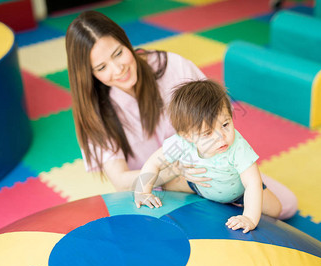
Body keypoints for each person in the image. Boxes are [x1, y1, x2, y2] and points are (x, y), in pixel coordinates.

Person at [66, 11, 297, 220]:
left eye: (118, 54)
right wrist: (174, 172)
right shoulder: (94, 111)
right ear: (89, 74)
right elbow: (120, 180)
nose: (118, 70)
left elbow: (219, 113)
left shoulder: (170, 66)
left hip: (215, 165)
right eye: (101, 67)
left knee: (285, 206)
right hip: (162, 186)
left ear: (126, 43)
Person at [134, 80, 285, 233]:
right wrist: (142, 192)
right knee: (169, 184)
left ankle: (245, 179)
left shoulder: (238, 147)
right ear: (188, 136)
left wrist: (249, 218)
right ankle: (177, 184)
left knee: (276, 210)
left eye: (225, 125)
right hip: (199, 186)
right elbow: (154, 163)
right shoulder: (181, 143)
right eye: (208, 133)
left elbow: (252, 183)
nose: (221, 137)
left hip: (239, 192)